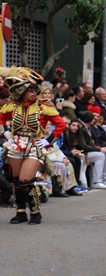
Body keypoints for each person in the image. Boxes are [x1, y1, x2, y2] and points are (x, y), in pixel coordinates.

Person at [0, 67, 66, 224]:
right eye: (30, 89)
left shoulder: (44, 106)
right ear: (21, 91)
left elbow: (61, 125)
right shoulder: (13, 105)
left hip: (35, 145)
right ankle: (20, 212)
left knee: (26, 180)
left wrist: (48, 140)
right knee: (16, 180)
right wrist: (6, 133)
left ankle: (35, 212)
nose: (34, 93)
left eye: (35, 89)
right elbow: (1, 119)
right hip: (16, 144)